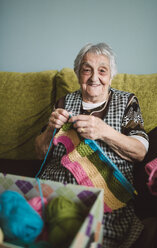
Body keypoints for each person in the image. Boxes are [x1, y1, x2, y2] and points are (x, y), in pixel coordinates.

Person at [35, 43, 149, 248]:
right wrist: (50, 129)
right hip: (56, 192)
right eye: (87, 70)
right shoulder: (64, 102)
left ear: (111, 75)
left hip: (104, 200)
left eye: (102, 71)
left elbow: (140, 152)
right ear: (78, 73)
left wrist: (104, 131)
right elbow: (39, 152)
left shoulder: (126, 101)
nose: (94, 78)